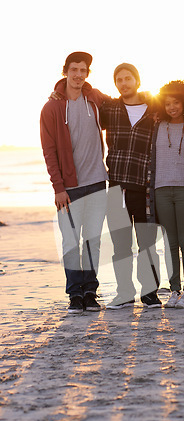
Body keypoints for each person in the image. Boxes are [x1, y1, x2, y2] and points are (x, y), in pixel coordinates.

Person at [40, 52, 108, 314]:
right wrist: (58, 187)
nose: (78, 74)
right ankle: (74, 294)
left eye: (83, 70)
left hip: (97, 183)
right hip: (69, 187)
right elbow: (49, 150)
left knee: (93, 240)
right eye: (74, 70)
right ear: (65, 71)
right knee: (70, 242)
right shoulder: (52, 107)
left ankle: (90, 291)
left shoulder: (95, 99)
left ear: (87, 74)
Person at [100, 63, 162, 309]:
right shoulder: (110, 109)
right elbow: (87, 93)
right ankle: (124, 292)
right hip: (116, 186)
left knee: (147, 243)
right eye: (119, 80)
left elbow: (180, 102)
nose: (124, 83)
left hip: (144, 186)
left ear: (137, 80)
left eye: (128, 78)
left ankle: (150, 293)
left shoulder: (154, 107)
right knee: (121, 245)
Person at [147, 81, 184, 308]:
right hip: (161, 189)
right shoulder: (156, 126)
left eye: (176, 102)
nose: (172, 107)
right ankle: (174, 290)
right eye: (167, 103)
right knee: (170, 243)